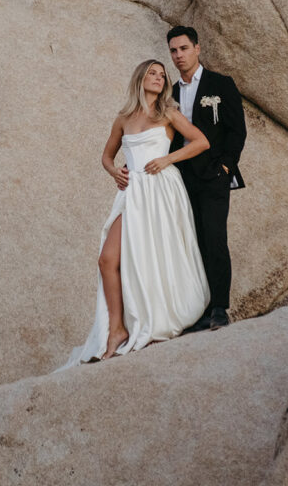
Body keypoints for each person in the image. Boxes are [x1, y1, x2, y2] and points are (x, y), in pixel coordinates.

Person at [60, 60, 211, 367]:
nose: (158, 78)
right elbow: (106, 156)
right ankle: (116, 329)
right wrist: (115, 172)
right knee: (107, 259)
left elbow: (201, 141)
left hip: (160, 189)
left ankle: (157, 318)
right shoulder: (124, 117)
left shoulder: (167, 112)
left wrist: (168, 160)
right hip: (132, 193)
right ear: (141, 79)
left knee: (153, 256)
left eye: (161, 75)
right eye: (152, 73)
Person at [167, 26, 247, 331]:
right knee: (193, 241)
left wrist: (225, 168)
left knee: (215, 239)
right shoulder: (170, 93)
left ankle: (219, 308)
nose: (178, 56)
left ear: (197, 49)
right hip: (182, 178)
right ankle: (198, 307)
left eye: (184, 48)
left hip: (213, 176)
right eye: (174, 50)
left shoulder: (220, 84)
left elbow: (236, 131)